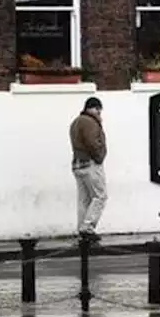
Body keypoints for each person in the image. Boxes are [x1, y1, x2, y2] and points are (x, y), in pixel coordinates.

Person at [69, 97, 107, 238]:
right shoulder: (90, 122)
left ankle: (81, 228)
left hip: (77, 165)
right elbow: (92, 143)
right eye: (99, 110)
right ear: (94, 108)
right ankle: (87, 227)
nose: (99, 114)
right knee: (100, 196)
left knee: (84, 199)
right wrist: (99, 156)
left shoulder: (75, 122)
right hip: (90, 163)